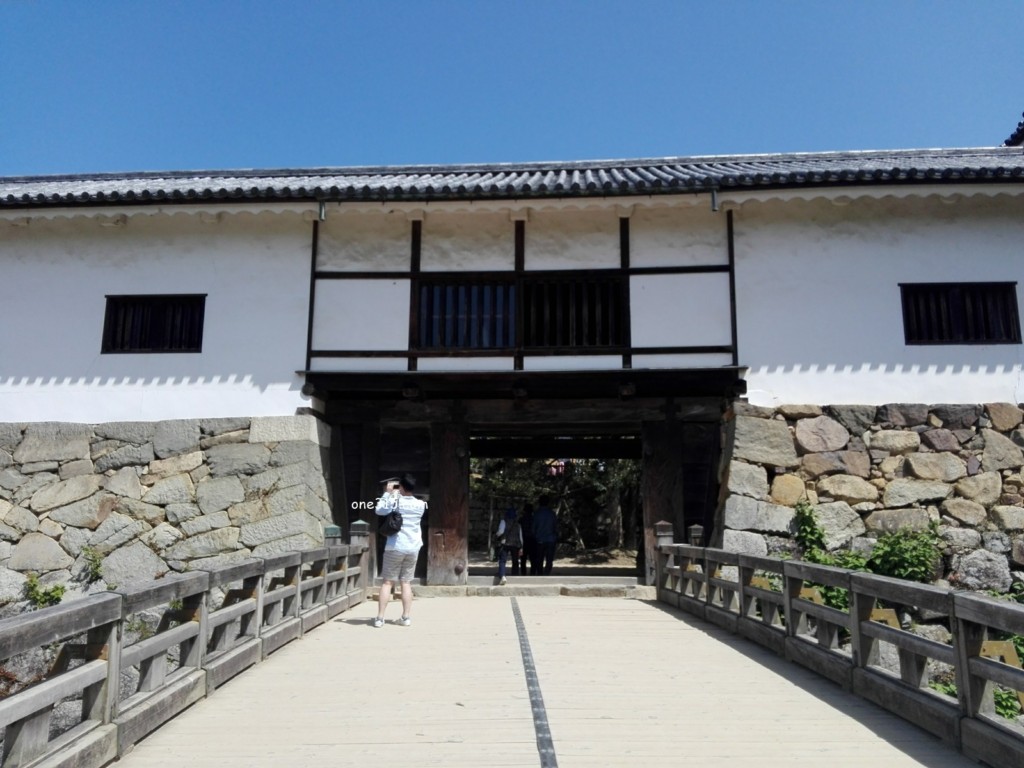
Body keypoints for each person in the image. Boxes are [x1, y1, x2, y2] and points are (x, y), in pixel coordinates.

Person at [374, 474, 427, 627]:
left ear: (401, 487)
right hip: (413, 547)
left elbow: (379, 510)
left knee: (387, 582)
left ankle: (380, 618)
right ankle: (405, 617)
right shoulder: (421, 504)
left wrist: (388, 493)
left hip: (396, 546)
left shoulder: (395, 501)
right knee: (406, 582)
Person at [494, 507, 521, 585]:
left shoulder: (503, 521)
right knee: (515, 561)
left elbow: (501, 531)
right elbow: (520, 535)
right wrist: (521, 546)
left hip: (505, 543)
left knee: (502, 560)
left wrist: (496, 535)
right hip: (515, 544)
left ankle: (503, 576)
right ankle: (515, 576)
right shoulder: (518, 524)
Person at [532, 494, 558, 576]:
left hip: (539, 539)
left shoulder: (536, 514)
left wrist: (535, 536)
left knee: (539, 558)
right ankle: (547, 572)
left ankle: (540, 573)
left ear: (539, 502)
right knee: (549, 559)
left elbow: (533, 528)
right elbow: (555, 526)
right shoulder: (552, 514)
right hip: (551, 539)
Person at [518, 503, 537, 576]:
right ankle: (533, 573)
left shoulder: (521, 519)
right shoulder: (534, 519)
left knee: (523, 559)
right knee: (533, 559)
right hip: (533, 540)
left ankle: (523, 573)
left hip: (523, 540)